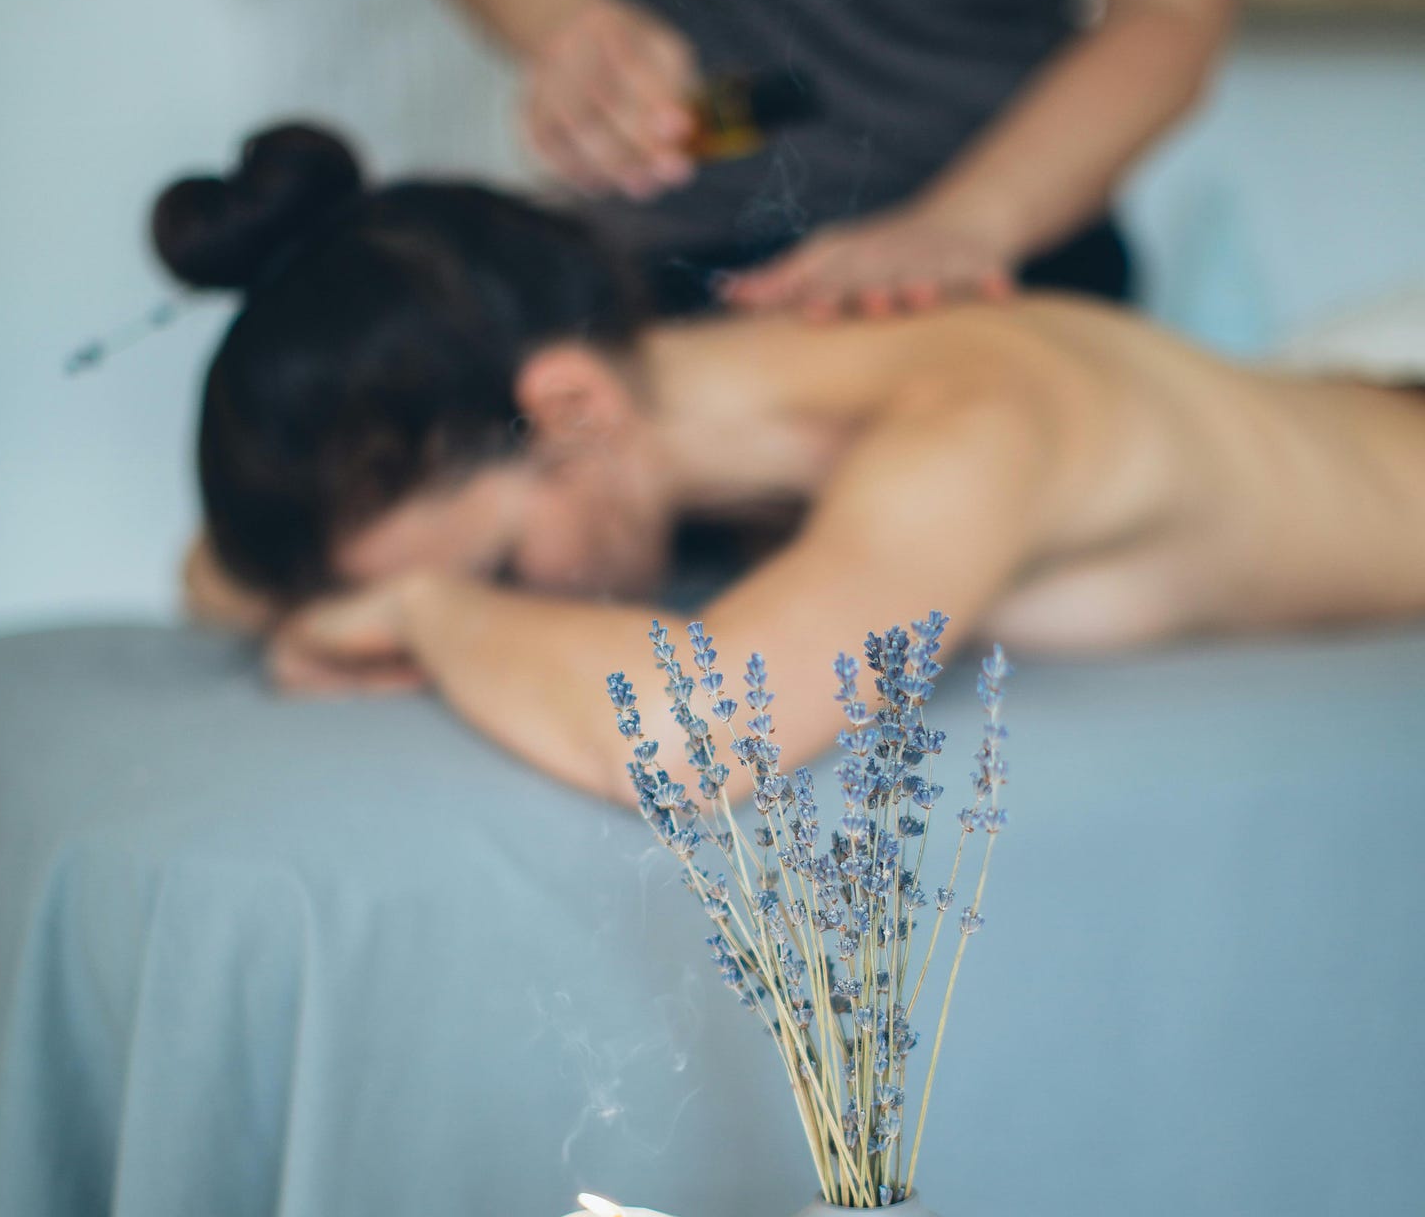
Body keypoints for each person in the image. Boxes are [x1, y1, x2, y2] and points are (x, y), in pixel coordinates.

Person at [168, 125, 1425, 799]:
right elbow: (215, 573)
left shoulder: (967, 424)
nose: (525, 605)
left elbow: (700, 736)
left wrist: (427, 609)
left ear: (568, 409)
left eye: (503, 562)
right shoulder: (677, 406)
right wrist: (367, 585)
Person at [413, 0, 1261, 314]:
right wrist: (559, 20)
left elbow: (1168, 15)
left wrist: (965, 226)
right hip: (676, 244)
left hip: (1001, 252)